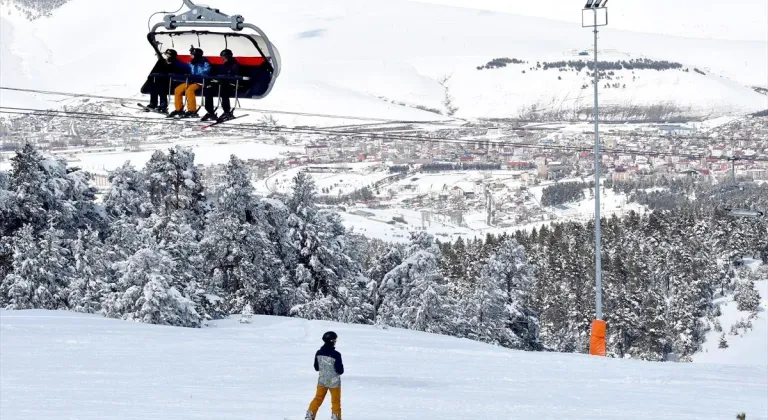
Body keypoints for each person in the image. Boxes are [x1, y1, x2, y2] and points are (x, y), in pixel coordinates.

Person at [305, 331, 343, 420]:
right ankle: (336, 417)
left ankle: (310, 415)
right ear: (331, 341)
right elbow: (340, 370)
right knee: (335, 401)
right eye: (335, 340)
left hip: (322, 381)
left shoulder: (318, 353)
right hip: (334, 382)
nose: (335, 342)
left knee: (317, 398)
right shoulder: (336, 355)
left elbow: (316, 367)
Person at [168, 47, 211, 118]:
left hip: (201, 82)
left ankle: (192, 110)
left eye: (192, 55)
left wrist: (197, 69)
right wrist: (174, 61)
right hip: (191, 81)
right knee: (178, 90)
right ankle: (179, 109)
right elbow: (184, 66)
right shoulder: (192, 63)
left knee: (189, 90)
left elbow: (206, 71)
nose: (191, 56)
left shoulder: (204, 63)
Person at [201, 48, 241, 123]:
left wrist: (225, 79)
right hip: (221, 84)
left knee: (224, 92)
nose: (223, 59)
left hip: (230, 85)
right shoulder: (223, 66)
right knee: (208, 91)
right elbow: (219, 74)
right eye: (222, 57)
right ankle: (210, 112)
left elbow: (235, 76)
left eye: (224, 57)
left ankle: (227, 112)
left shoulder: (235, 65)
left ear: (229, 57)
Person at [141, 49, 185, 113]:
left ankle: (163, 105)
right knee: (154, 87)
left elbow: (178, 71)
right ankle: (153, 104)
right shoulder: (161, 61)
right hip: (159, 80)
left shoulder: (176, 63)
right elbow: (154, 70)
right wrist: (150, 78)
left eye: (168, 55)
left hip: (170, 82)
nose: (167, 56)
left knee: (162, 87)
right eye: (166, 55)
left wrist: (170, 67)